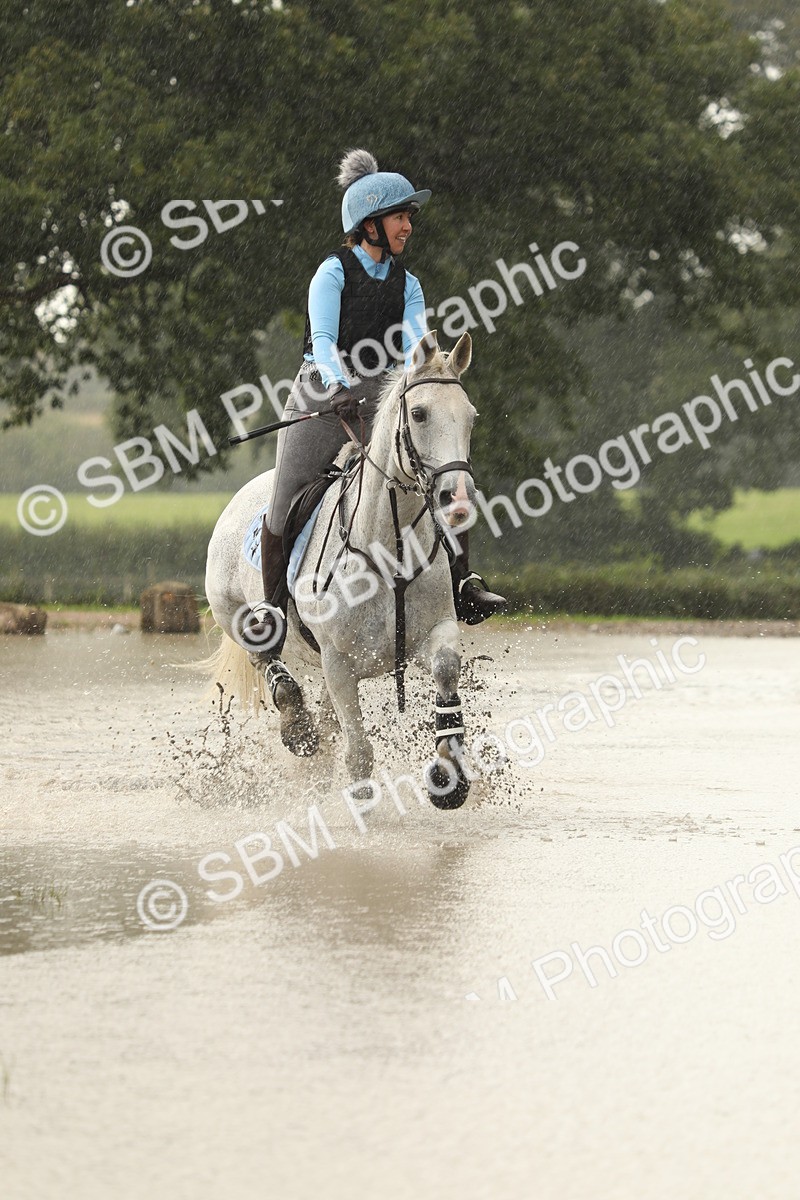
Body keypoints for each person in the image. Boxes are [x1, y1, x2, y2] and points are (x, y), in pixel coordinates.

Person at [248, 148, 506, 703]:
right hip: (321, 393)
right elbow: (322, 342)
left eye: (409, 217)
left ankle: (463, 582)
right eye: (399, 217)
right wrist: (340, 387)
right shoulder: (331, 273)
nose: (408, 225)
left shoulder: (407, 283)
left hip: (386, 396)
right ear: (369, 224)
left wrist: (431, 376)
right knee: (285, 498)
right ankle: (271, 613)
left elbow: (417, 345)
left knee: (443, 473)